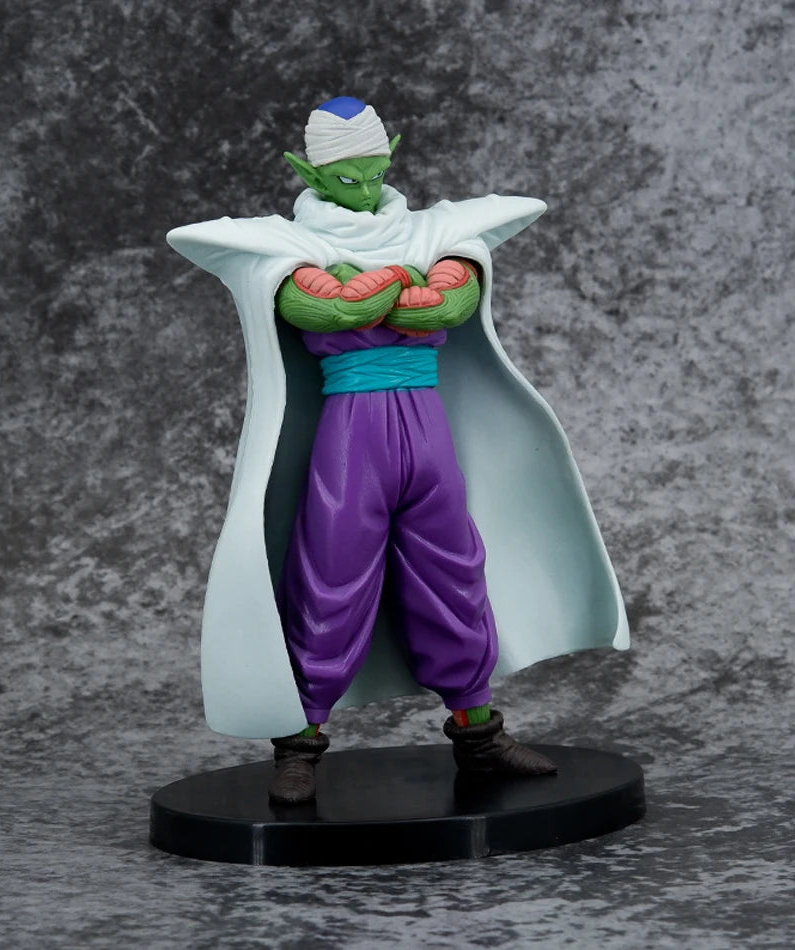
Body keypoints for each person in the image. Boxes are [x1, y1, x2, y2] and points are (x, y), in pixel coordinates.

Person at [167, 97, 629, 804]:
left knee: (454, 573)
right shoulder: (287, 245)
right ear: (310, 173)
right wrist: (401, 283)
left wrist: (376, 290)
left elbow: (445, 305)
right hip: (352, 434)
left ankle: (479, 736)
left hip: (426, 427)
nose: (364, 187)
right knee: (330, 579)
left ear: (391, 158)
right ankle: (299, 744)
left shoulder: (431, 230)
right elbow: (326, 308)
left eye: (374, 172)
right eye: (346, 176)